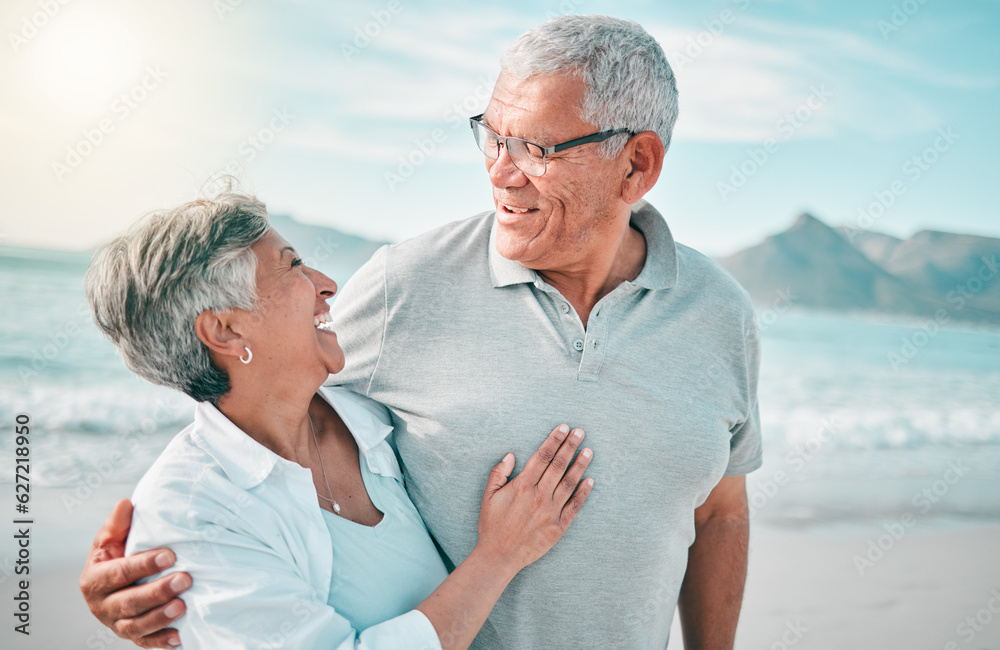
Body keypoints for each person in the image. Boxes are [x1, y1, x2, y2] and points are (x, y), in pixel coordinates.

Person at [81, 14, 762, 649]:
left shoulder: (721, 313)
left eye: (535, 149)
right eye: (492, 136)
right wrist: (154, 569)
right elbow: (247, 399)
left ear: (636, 164)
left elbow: (721, 510)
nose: (498, 172)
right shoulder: (402, 287)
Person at [81, 192, 594, 649]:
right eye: (293, 267)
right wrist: (500, 555)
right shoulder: (192, 516)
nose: (327, 286)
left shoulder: (372, 414)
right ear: (226, 330)